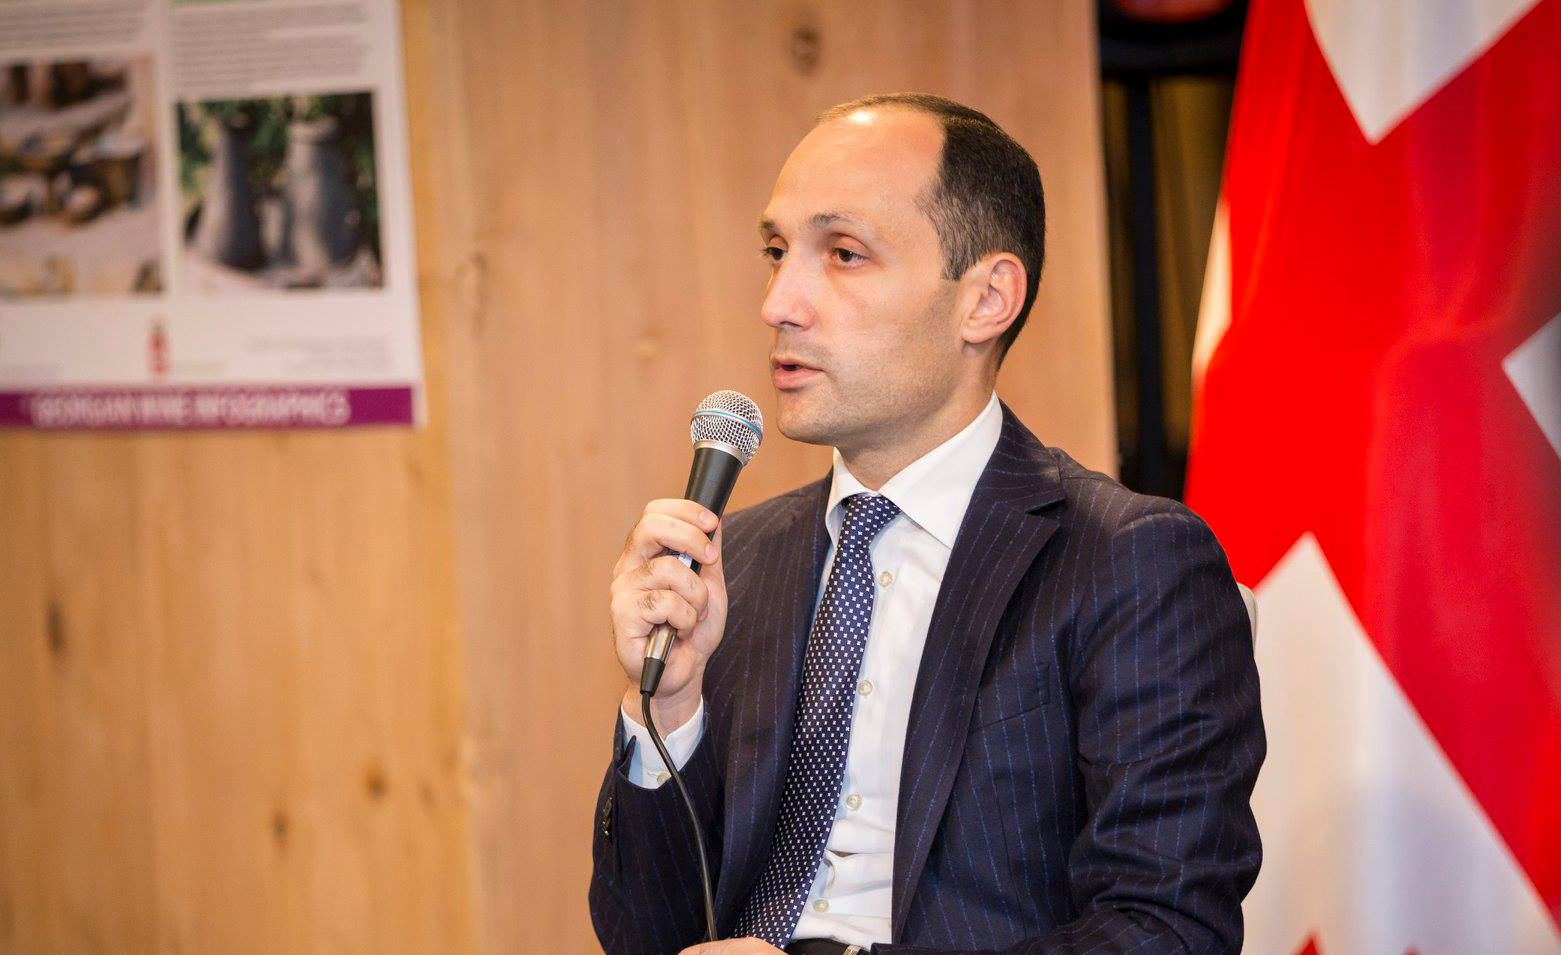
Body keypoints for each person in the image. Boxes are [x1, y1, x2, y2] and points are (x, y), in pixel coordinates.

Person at [590, 93, 1264, 955]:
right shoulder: (736, 560)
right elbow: (645, 935)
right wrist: (670, 705)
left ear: (985, 299)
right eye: (775, 253)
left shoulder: (1125, 560)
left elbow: (1165, 929)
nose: (778, 302)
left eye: (842, 253)